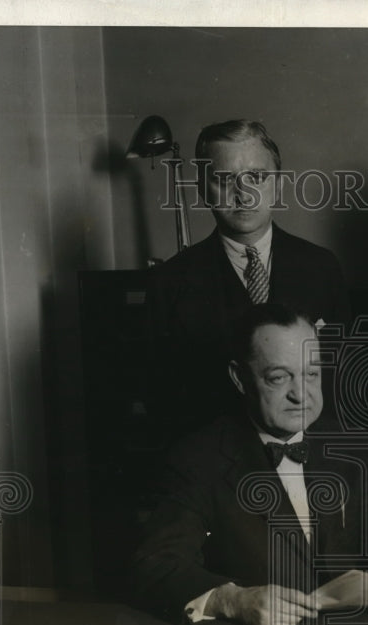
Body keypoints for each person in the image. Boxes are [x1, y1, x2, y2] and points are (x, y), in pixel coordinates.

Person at [133, 303, 368, 625]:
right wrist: (232, 601)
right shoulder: (198, 459)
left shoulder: (352, 445)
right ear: (239, 378)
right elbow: (157, 567)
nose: (301, 394)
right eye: (279, 377)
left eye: (311, 374)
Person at [150, 119, 352, 437]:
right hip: (212, 465)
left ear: (278, 184)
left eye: (257, 177)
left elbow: (342, 384)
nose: (243, 195)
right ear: (202, 188)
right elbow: (164, 403)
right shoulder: (170, 282)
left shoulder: (321, 268)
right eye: (224, 180)